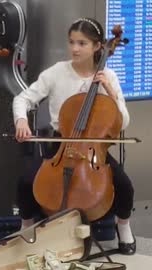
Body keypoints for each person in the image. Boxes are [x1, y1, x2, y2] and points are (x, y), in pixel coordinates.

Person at [13, 18, 135, 255]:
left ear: (98, 46)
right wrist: (21, 119)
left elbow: (124, 121)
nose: (75, 48)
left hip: (93, 148)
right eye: (72, 42)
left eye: (82, 43)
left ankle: (124, 228)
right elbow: (23, 99)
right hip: (61, 143)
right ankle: (26, 227)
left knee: (124, 185)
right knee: (26, 181)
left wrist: (110, 90)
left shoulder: (108, 75)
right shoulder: (57, 72)